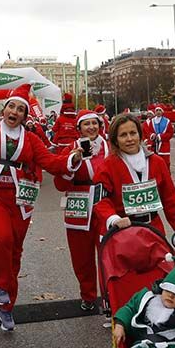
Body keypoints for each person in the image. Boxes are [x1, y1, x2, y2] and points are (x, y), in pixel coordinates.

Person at [0, 55, 84, 331]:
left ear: (26, 116)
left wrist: (72, 159)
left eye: (20, 109)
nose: (14, 112)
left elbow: (52, 163)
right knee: (2, 238)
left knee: (15, 251)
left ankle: (7, 306)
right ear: (3, 110)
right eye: (11, 107)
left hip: (20, 200)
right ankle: (1, 287)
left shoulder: (33, 140)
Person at [93, 113, 175, 248]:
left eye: (133, 133)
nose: (129, 139)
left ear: (140, 135)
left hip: (153, 229)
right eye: (123, 135)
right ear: (115, 140)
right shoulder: (107, 166)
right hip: (121, 231)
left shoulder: (157, 162)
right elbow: (100, 201)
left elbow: (171, 199)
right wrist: (113, 218)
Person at [53, 108, 109, 311]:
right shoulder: (69, 149)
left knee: (108, 255)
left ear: (100, 126)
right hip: (78, 207)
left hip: (106, 207)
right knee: (81, 257)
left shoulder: (111, 147)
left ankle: (109, 298)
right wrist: (72, 163)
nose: (91, 127)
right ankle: (88, 296)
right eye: (87, 124)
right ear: (79, 128)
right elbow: (60, 184)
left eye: (95, 123)